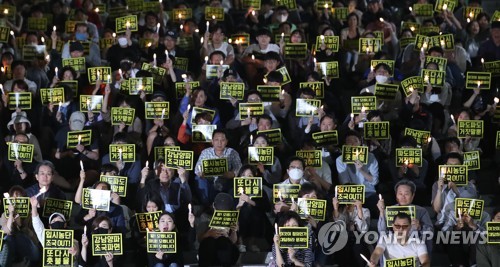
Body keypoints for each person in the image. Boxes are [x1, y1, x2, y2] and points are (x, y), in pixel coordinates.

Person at [377, 180, 434, 254]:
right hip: (394, 244)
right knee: (382, 239)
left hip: (414, 243)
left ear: (413, 195)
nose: (403, 197)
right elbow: (382, 231)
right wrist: (381, 212)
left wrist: (420, 227)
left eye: (406, 194)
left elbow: (430, 232)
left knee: (427, 239)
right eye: (400, 194)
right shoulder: (389, 210)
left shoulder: (421, 211)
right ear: (396, 195)